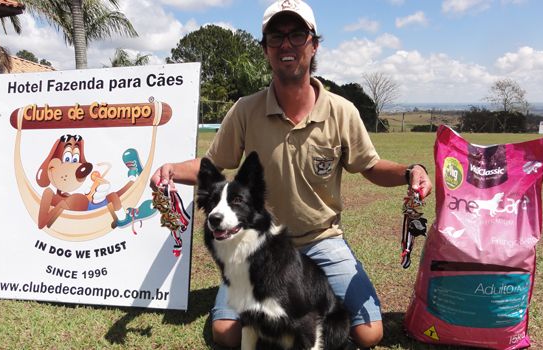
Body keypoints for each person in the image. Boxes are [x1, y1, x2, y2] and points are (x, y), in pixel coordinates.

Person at [151, 0, 432, 347]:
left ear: (314, 44)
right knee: (226, 335)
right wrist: (171, 170)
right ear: (265, 48)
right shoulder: (245, 109)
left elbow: (371, 167)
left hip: (322, 240)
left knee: (368, 334)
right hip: (258, 244)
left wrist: (411, 171)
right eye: (276, 36)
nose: (287, 44)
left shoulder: (342, 111)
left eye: (297, 35)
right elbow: (213, 164)